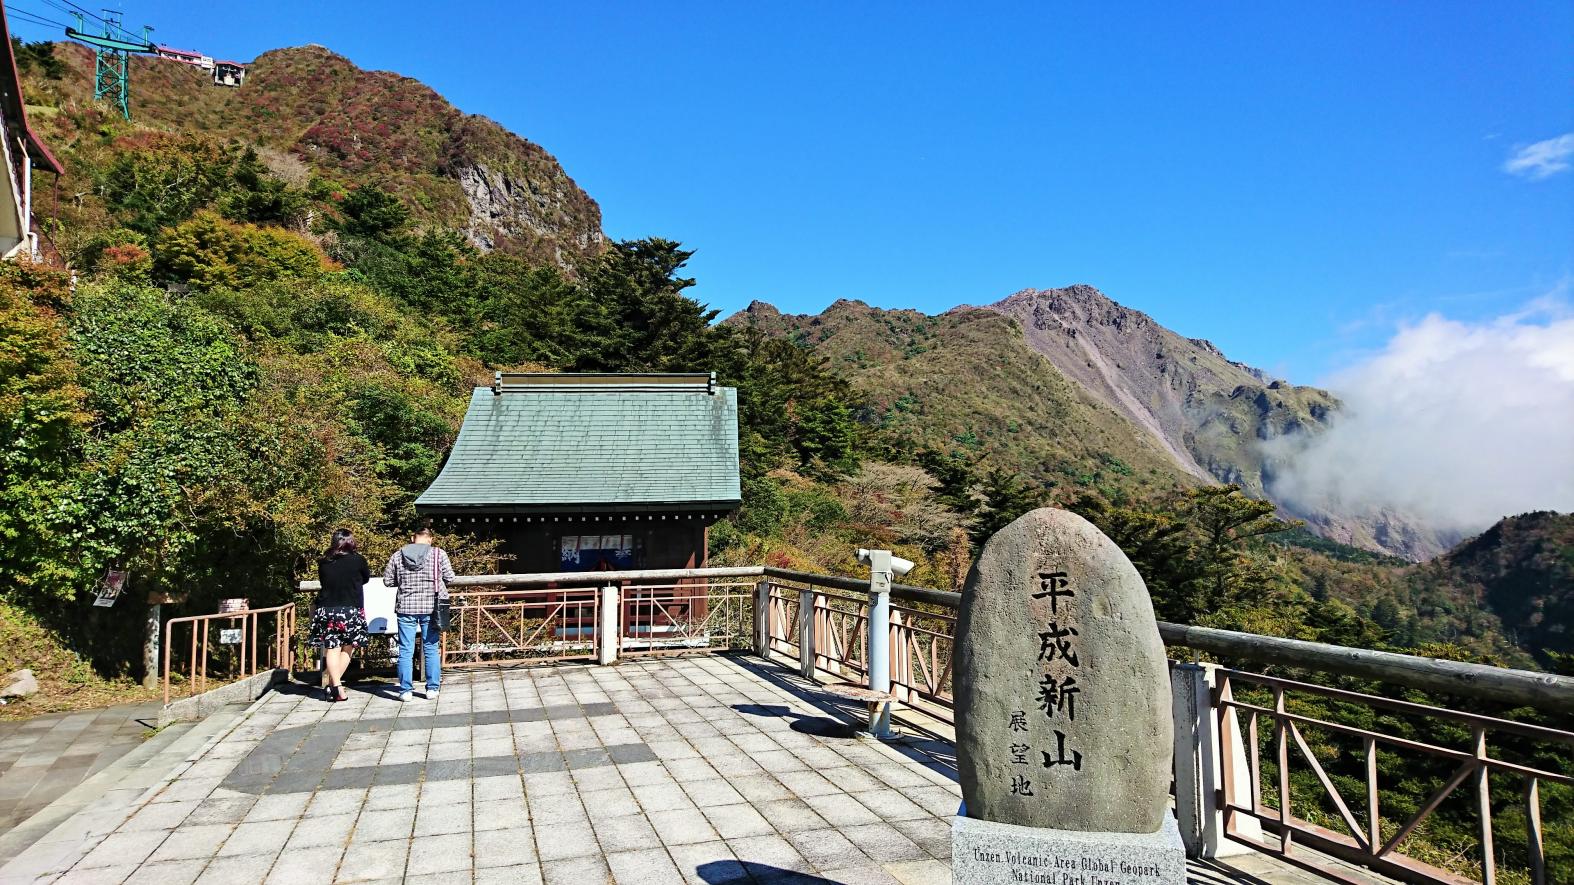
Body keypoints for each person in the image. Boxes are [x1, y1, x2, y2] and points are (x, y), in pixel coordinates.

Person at [383, 523, 455, 702]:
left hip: (406, 606)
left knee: (405, 649)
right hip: (431, 607)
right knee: (430, 647)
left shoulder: (398, 555)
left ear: (412, 538)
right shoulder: (438, 553)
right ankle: (432, 688)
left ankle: (405, 690)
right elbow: (450, 578)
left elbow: (387, 581)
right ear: (430, 539)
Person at [311, 528, 371, 702]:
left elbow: (323, 582)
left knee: (332, 647)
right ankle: (336, 686)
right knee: (349, 647)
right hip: (350, 609)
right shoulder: (358, 560)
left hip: (326, 609)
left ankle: (333, 685)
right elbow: (365, 578)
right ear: (350, 542)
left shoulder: (324, 562)